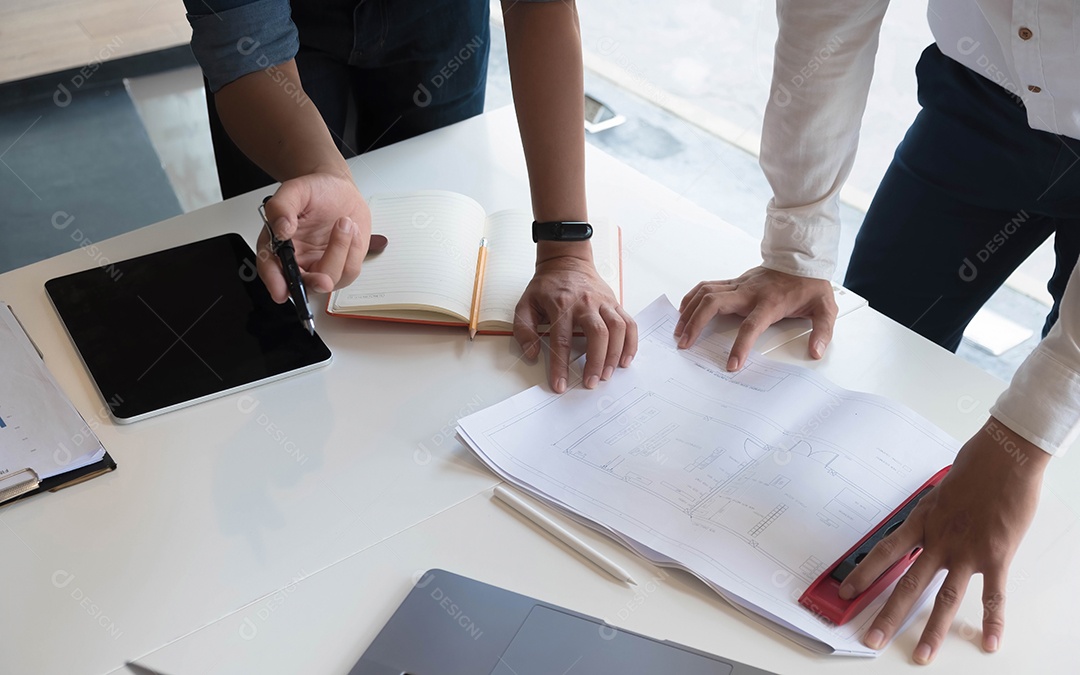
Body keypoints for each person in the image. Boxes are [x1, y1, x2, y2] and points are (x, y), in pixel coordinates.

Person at [676, 0, 1079, 664]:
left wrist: (1026, 435)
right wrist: (795, 244)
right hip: (983, 90)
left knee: (1051, 479)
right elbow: (828, 18)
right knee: (875, 355)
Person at [182, 0, 637, 392]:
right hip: (282, 34)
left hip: (436, 20)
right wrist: (326, 173)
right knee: (286, 276)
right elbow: (242, 44)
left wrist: (566, 250)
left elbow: (539, 6)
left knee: (437, 223)